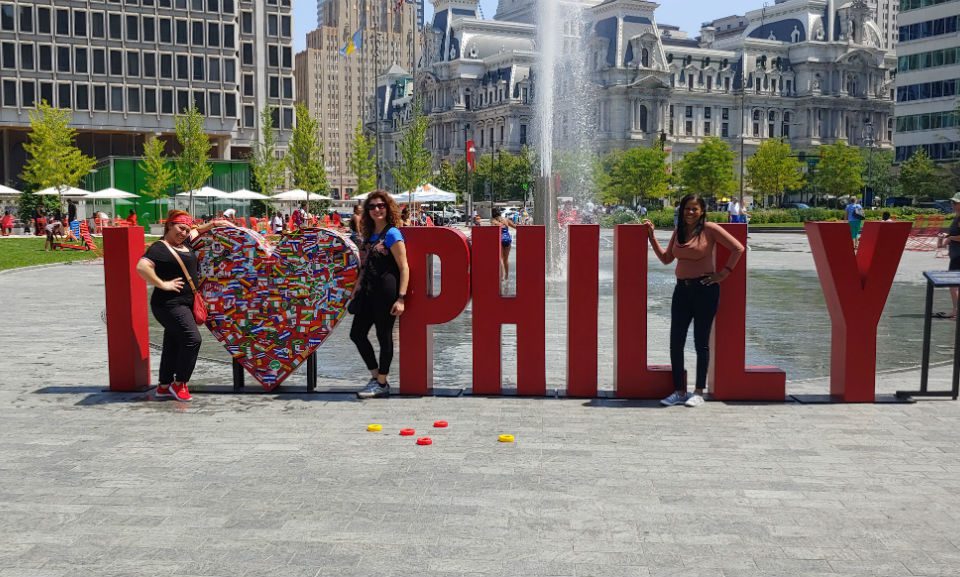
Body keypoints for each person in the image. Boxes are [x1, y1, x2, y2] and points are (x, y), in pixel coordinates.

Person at [643, 194, 744, 408]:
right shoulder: (679, 231)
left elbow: (738, 248)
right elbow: (666, 259)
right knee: (676, 342)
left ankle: (698, 391)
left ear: (702, 211)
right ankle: (679, 391)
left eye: (694, 209)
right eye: (687, 208)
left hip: (705, 290)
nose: (690, 212)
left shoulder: (711, 229)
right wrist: (652, 237)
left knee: (701, 342)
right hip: (682, 291)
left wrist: (723, 274)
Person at [136, 210, 234, 401]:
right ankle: (180, 383)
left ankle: (164, 386)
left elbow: (197, 230)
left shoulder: (185, 243)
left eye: (186, 230)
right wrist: (162, 284)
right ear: (169, 225)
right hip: (168, 304)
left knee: (172, 342)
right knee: (192, 340)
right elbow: (142, 267)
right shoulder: (160, 248)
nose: (183, 233)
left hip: (185, 303)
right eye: (180, 228)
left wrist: (216, 224)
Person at [351, 190, 409, 399]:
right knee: (356, 334)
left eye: (381, 205)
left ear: (388, 208)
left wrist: (401, 297)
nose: (377, 209)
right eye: (372, 206)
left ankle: (382, 383)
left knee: (383, 337)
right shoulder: (369, 235)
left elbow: (404, 267)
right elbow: (364, 266)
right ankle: (377, 377)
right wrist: (356, 288)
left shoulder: (392, 233)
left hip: (386, 293)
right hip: (367, 292)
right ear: (367, 211)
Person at [935, 193, 960, 320]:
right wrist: (946, 236)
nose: (952, 205)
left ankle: (956, 311)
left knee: (953, 283)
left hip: (958, 256)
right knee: (954, 284)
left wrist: (949, 237)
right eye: (952, 202)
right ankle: (955, 310)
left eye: (955, 203)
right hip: (955, 255)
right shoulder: (956, 217)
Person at [490, 207, 518, 282]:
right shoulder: (506, 220)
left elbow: (491, 231)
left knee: (501, 259)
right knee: (506, 259)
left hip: (499, 240)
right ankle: (506, 276)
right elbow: (516, 227)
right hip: (507, 240)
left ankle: (501, 277)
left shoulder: (493, 221)